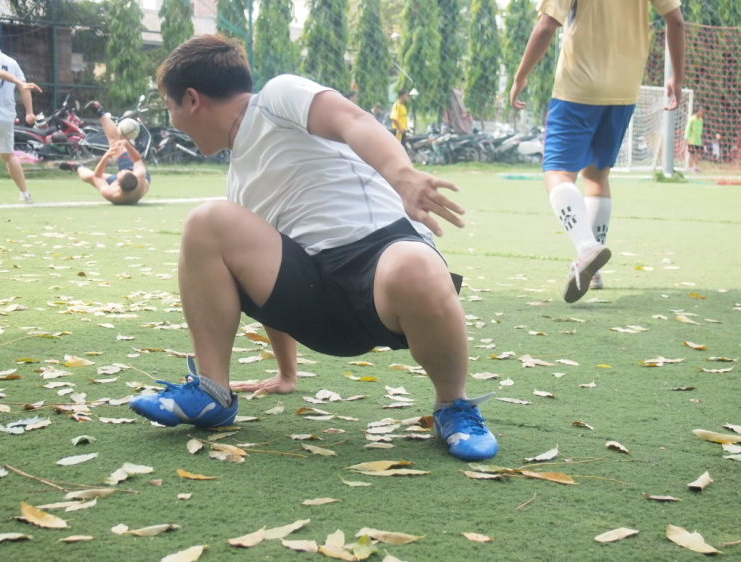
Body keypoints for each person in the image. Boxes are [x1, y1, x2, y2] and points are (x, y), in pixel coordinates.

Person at [128, 35, 498, 462]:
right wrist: (286, 372)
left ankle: (453, 405)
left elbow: (352, 120)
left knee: (415, 264)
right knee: (207, 221)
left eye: (169, 107)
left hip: (379, 263)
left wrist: (403, 175)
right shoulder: (239, 182)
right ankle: (212, 392)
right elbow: (270, 273)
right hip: (316, 301)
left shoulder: (276, 97)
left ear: (192, 99)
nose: (171, 120)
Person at [511, 0, 685, 302]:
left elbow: (546, 26)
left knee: (557, 171)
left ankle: (586, 247)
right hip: (624, 91)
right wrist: (677, 78)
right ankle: (594, 268)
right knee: (596, 174)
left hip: (578, 89)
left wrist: (520, 76)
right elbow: (677, 22)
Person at [59, 101, 150, 205]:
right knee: (115, 143)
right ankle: (99, 111)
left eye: (119, 174)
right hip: (137, 179)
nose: (120, 171)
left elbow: (97, 176)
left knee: (89, 177)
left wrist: (106, 156)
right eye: (124, 171)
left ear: (117, 183)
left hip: (126, 182)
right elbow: (137, 160)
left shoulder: (112, 194)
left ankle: (77, 167)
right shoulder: (140, 176)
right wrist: (126, 144)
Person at [0, 38, 42, 204]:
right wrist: (29, 112)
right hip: (5, 116)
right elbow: (24, 88)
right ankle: (25, 194)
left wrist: (18, 81)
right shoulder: (12, 62)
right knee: (8, 156)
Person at [684, 107, 703, 171]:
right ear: (696, 112)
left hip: (698, 141)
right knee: (691, 154)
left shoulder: (701, 120)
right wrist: (686, 138)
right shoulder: (692, 119)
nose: (701, 113)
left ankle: (696, 167)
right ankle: (689, 167)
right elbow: (688, 129)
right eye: (700, 111)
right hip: (692, 140)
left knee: (698, 154)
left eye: (702, 112)